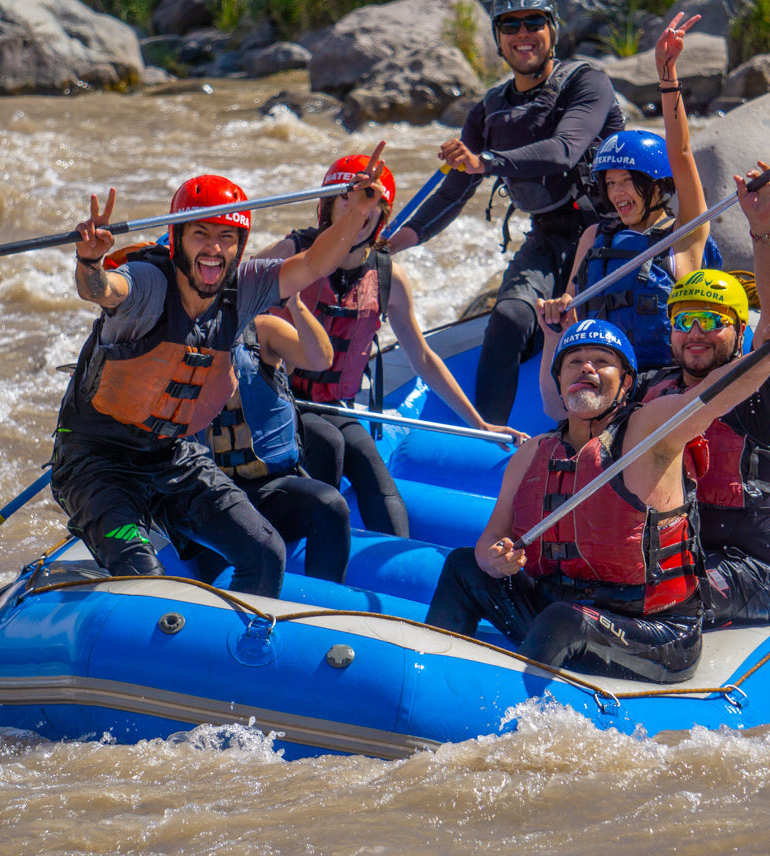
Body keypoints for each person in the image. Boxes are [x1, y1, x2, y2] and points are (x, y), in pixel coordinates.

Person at [51, 162, 381, 598]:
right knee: (145, 581)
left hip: (170, 455)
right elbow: (103, 290)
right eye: (201, 235)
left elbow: (316, 262)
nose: (214, 249)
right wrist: (90, 260)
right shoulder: (149, 284)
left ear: (240, 246)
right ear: (178, 241)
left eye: (227, 238)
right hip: (97, 461)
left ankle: (238, 657)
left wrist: (357, 212)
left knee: (265, 551)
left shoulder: (244, 289)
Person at [425, 314, 770, 683]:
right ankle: (428, 680)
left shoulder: (652, 431)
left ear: (625, 385)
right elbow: (489, 540)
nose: (586, 367)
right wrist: (493, 559)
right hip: (560, 607)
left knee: (562, 621)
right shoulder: (532, 454)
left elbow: (715, 395)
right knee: (463, 567)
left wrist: (766, 353)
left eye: (602, 361)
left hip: (656, 629)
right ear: (560, 382)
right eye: (574, 362)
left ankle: (505, 722)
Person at [384, 0, 624, 424]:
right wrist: (391, 242)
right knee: (510, 318)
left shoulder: (588, 82)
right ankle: (491, 441)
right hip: (548, 238)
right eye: (510, 26)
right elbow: (453, 193)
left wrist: (487, 161)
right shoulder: (490, 108)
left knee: (601, 329)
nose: (522, 35)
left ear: (552, 29)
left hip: (609, 233)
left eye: (533, 22)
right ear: (497, 38)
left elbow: (564, 150)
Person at [259, 151, 526, 539]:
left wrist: (480, 424)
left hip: (331, 405)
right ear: (327, 206)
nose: (358, 212)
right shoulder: (293, 253)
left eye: (370, 204)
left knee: (372, 468)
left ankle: (394, 562)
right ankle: (304, 537)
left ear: (382, 216)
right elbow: (237, 288)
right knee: (329, 443)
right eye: (347, 200)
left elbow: (422, 357)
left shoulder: (388, 276)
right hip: (280, 401)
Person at [634, 160, 770, 627]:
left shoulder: (761, 389)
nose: (696, 332)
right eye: (684, 320)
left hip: (754, 572)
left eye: (712, 321)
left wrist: (763, 229)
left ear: (736, 331)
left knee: (663, 591)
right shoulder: (654, 391)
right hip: (679, 552)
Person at [537, 12, 720, 377]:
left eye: (627, 181)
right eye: (610, 183)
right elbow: (574, 309)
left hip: (667, 380)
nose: (617, 192)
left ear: (656, 185)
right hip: (608, 380)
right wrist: (558, 309)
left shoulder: (684, 235)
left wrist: (667, 77)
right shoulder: (595, 237)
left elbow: (682, 154)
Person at [201, 302, 352, 584]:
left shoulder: (263, 330)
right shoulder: (171, 341)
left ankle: (324, 604)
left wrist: (295, 303)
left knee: (331, 502)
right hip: (210, 491)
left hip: (267, 489)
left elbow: (320, 359)